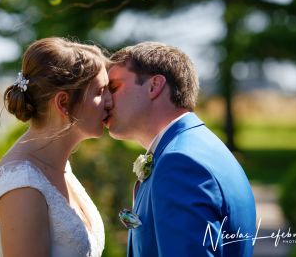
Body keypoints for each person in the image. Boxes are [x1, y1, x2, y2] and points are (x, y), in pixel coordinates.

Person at [107, 42, 256, 256]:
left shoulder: (179, 162)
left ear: (154, 86)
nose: (106, 100)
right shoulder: (198, 147)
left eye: (114, 88)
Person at [0, 37, 112, 257]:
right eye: (100, 92)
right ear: (63, 103)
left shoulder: (59, 166)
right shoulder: (21, 186)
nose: (110, 101)